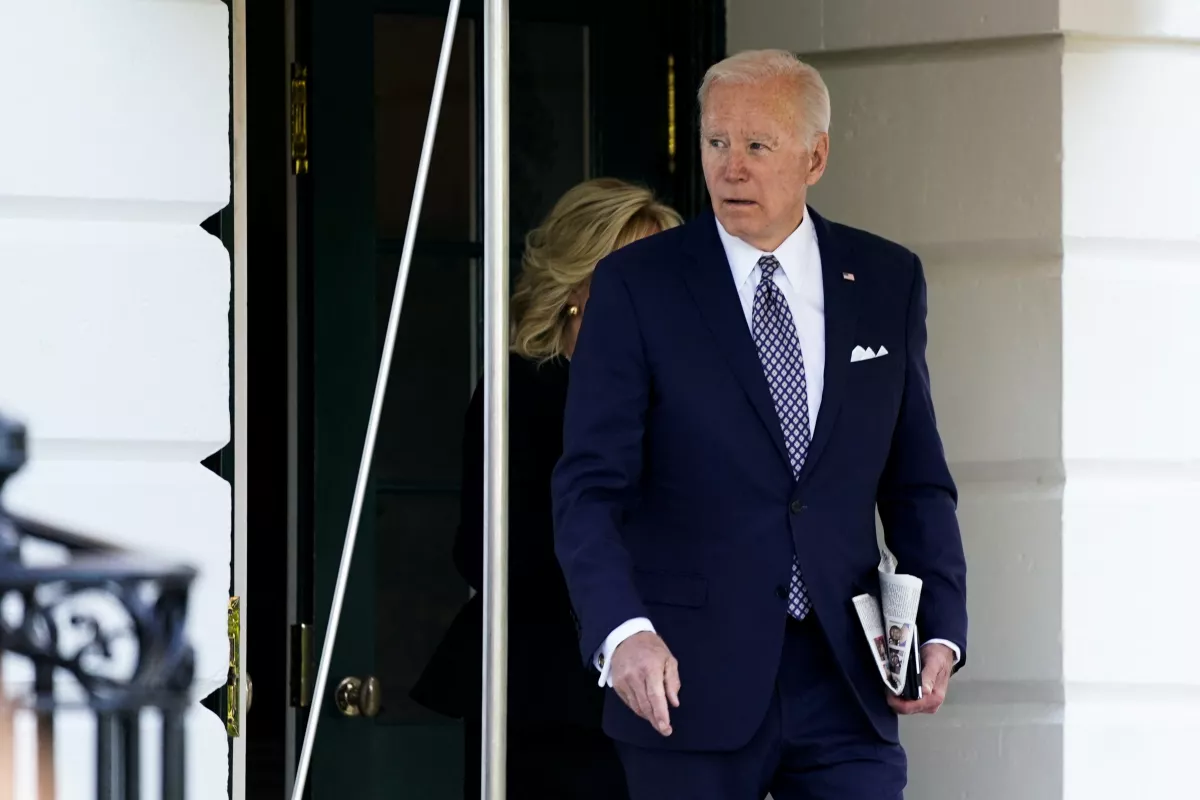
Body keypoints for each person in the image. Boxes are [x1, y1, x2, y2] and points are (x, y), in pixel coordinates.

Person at [551, 49, 968, 800]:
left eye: (756, 146)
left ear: (816, 156)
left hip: (845, 678)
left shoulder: (885, 280)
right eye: (716, 144)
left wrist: (940, 627)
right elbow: (589, 489)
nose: (731, 168)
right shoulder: (637, 286)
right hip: (684, 681)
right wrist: (622, 633)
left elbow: (916, 481)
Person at [410, 177, 682, 800]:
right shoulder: (516, 393)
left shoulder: (677, 399)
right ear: (575, 290)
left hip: (661, 687)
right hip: (544, 690)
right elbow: (481, 549)